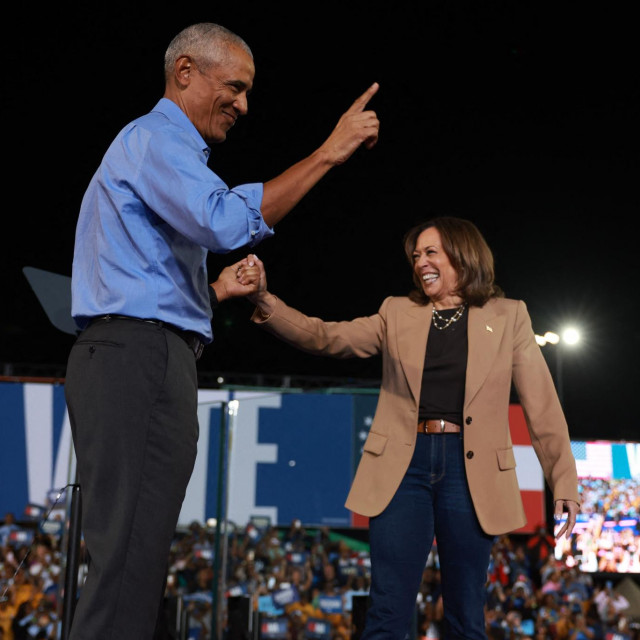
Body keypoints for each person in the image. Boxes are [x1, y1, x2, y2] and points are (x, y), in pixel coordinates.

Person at [64, 22, 379, 640]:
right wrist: (327, 153)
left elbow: (140, 279)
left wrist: (210, 293)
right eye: (233, 86)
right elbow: (226, 221)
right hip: (139, 357)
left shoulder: (151, 150)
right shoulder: (156, 139)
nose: (243, 104)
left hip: (136, 352)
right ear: (185, 72)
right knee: (126, 557)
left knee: (133, 559)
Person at [240, 216, 580, 639]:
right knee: (387, 609)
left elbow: (542, 405)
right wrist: (266, 300)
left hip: (471, 473)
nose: (421, 263)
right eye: (416, 256)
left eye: (431, 252)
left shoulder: (509, 316)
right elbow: (326, 336)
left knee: (465, 614)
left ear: (462, 254)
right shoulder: (397, 312)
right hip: (404, 466)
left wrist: (563, 481)